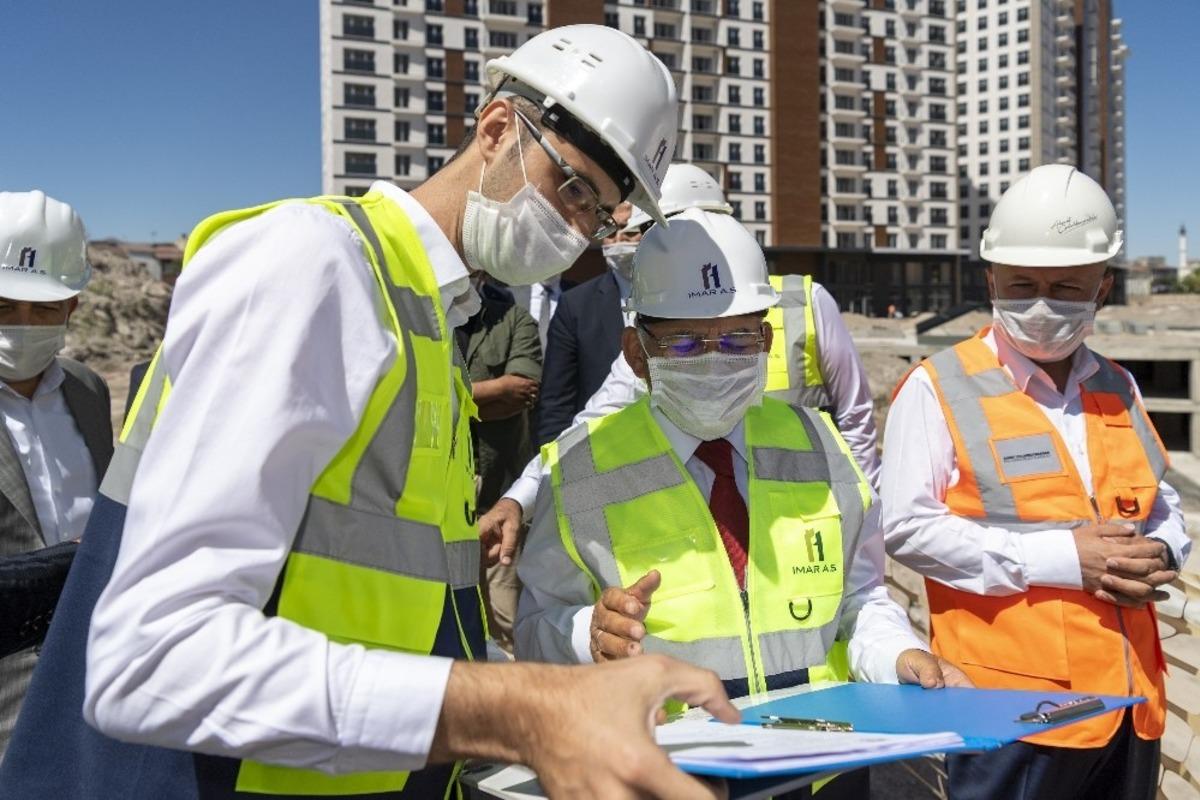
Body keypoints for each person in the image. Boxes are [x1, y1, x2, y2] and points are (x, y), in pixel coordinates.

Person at [0, 26, 742, 800]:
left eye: (601, 214)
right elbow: (152, 659)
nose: (578, 227)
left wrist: (565, 686)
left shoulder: (427, 327)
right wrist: (520, 710)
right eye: (575, 188)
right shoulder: (317, 266)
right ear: (495, 130)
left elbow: (404, 627)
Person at [515, 208, 970, 799]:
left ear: (767, 341)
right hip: (668, 772)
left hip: (824, 767)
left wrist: (896, 653)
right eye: (684, 341)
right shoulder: (575, 468)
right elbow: (533, 627)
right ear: (636, 352)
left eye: (736, 339)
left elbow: (858, 600)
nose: (713, 360)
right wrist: (587, 635)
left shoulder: (820, 444)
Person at [881, 164, 1189, 800]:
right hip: (1015, 717)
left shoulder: (1118, 385)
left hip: (1132, 704)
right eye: (1023, 285)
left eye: (1066, 287)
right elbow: (906, 528)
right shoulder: (937, 387)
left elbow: (1165, 504)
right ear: (990, 278)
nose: (1043, 303)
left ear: (1103, 287)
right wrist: (1065, 558)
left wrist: (1163, 550)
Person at [481, 163, 882, 569]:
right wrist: (522, 497)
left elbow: (855, 418)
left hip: (803, 515)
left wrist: (861, 518)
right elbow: (592, 422)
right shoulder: (661, 333)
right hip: (703, 518)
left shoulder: (804, 302)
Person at [0, 191, 113, 761]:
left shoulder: (88, 391)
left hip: (94, 685)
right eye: (3, 307)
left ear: (72, 304)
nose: (23, 325)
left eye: (42, 309)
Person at [457, 277, 542, 655]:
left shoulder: (514, 320)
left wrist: (452, 396)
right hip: (450, 490)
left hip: (500, 486)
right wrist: (491, 393)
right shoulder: (430, 322)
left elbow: (521, 391)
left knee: (508, 614)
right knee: (462, 616)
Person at [534, 201, 640, 445]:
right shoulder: (576, 305)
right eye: (611, 233)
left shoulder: (678, 297)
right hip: (600, 446)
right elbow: (556, 401)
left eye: (630, 230)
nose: (619, 240)